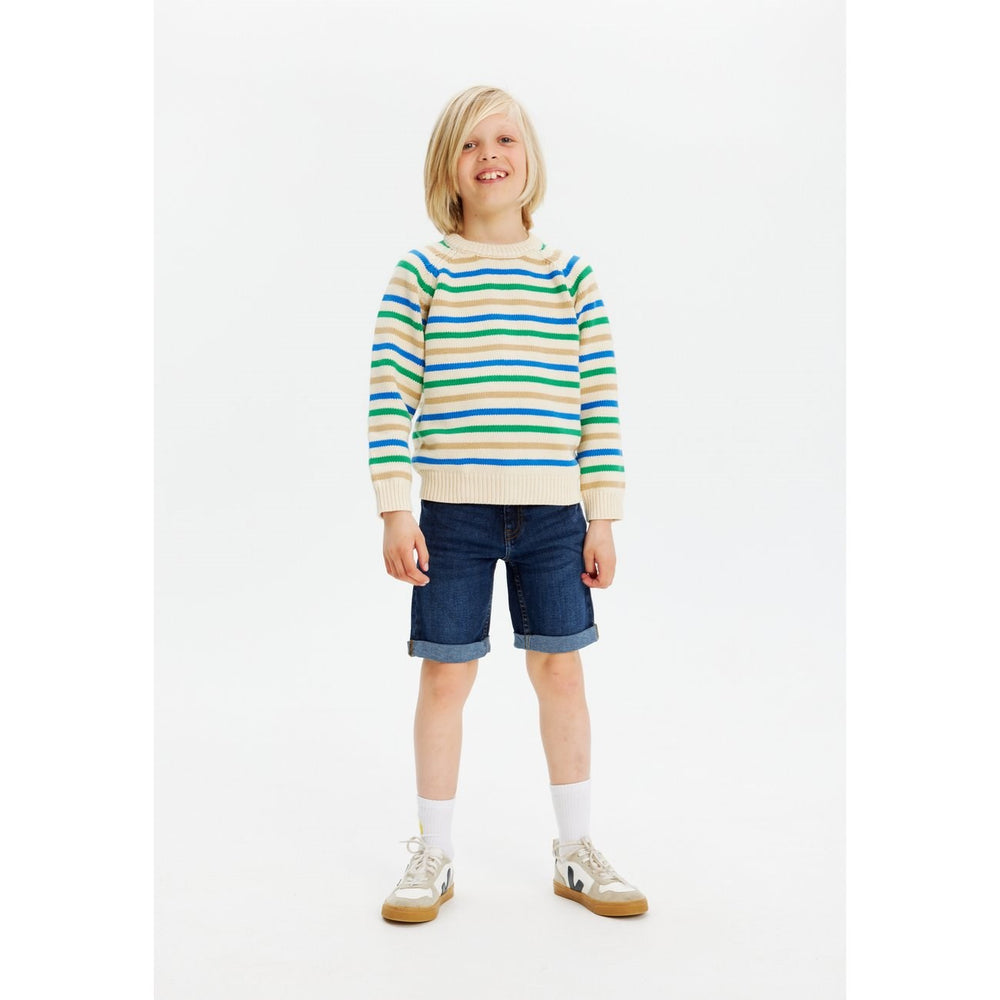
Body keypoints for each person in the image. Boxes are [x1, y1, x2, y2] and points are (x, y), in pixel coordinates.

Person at [367, 84, 647, 922]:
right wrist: (395, 508)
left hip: (555, 518)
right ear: (447, 169)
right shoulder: (422, 273)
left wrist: (602, 516)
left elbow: (599, 404)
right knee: (445, 676)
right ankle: (434, 854)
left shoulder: (571, 278)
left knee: (561, 671)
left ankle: (575, 850)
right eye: (469, 143)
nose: (489, 154)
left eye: (504, 139)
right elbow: (389, 395)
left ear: (529, 160)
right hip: (451, 519)